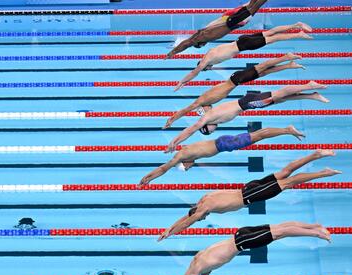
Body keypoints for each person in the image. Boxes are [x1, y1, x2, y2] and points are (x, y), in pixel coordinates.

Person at [157, 150, 340, 241]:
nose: (203, 218)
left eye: (201, 218)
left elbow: (188, 221)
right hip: (249, 187)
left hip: (251, 195)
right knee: (285, 172)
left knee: (287, 182)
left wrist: (170, 234)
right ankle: (316, 155)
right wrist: (168, 228)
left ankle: (323, 173)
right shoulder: (204, 199)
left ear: (199, 213)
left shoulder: (205, 208)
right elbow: (186, 216)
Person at [163, 222, 331, 275]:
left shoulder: (195, 271)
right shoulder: (199, 257)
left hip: (242, 243)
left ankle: (317, 233)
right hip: (240, 233)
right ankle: (314, 226)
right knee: (279, 227)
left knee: (281, 233)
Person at [165, 81, 328, 152]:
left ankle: (309, 85)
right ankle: (311, 95)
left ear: (206, 126)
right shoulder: (214, 119)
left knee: (279, 94)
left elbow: (190, 130)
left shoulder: (207, 119)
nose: (212, 131)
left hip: (248, 103)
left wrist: (175, 141)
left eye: (209, 131)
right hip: (247, 104)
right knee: (280, 99)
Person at [163, 53, 303, 130]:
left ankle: (286, 57)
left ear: (203, 108)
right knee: (262, 73)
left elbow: (185, 110)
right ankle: (288, 64)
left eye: (206, 110)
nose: (209, 110)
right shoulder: (209, 103)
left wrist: (172, 119)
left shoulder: (201, 101)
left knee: (262, 67)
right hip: (236, 80)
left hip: (236, 79)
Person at [138, 126, 304, 187]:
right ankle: (285, 131)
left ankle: (287, 130)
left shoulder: (181, 156)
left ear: (183, 163)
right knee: (258, 135)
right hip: (223, 143)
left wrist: (148, 178)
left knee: (259, 136)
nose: (190, 167)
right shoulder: (187, 152)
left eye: (186, 168)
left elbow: (163, 168)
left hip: (224, 144)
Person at [173, 22, 313, 92]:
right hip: (241, 40)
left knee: (274, 39)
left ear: (204, 66)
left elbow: (193, 72)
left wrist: (181, 83)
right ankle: (297, 25)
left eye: (207, 68)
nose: (210, 68)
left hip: (244, 45)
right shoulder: (209, 53)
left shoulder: (206, 61)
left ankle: (298, 34)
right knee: (270, 32)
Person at [166, 0, 269, 58]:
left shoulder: (203, 37)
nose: (204, 44)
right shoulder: (202, 31)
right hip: (228, 19)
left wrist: (172, 53)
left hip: (232, 22)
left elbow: (187, 43)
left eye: (202, 45)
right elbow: (188, 41)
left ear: (200, 43)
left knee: (254, 7)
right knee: (251, 5)